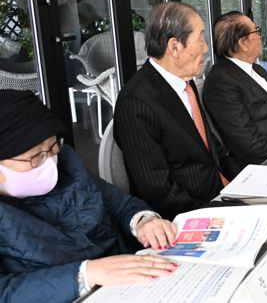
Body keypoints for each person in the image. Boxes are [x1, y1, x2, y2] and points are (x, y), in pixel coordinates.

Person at [0, 90, 177, 303]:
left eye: (53, 146)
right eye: (35, 157)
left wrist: (143, 220)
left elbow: (119, 204)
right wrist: (85, 274)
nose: (49, 163)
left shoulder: (68, 167)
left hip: (136, 278)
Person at [114, 2, 241, 220]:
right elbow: (158, 191)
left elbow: (211, 148)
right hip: (190, 214)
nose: (206, 47)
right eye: (200, 38)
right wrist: (217, 214)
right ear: (175, 47)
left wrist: (247, 182)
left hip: (222, 194)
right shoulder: (136, 103)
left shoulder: (184, 81)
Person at [202, 11, 267, 168]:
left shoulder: (257, 68)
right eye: (256, 31)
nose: (260, 37)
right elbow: (246, 140)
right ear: (243, 42)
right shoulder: (220, 82)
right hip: (264, 163)